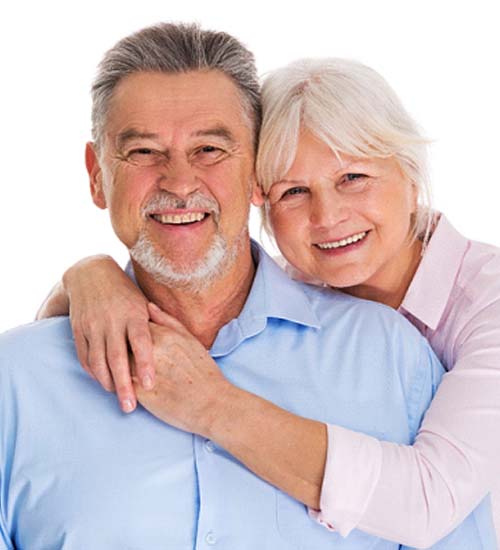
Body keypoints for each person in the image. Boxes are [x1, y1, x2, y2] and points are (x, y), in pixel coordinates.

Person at [3, 22, 490, 549]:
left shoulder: (399, 359)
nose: (180, 182)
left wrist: (213, 404)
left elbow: (430, 503)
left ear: (250, 173)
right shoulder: (17, 380)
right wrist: (83, 276)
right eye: (143, 152)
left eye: (210, 149)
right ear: (98, 176)